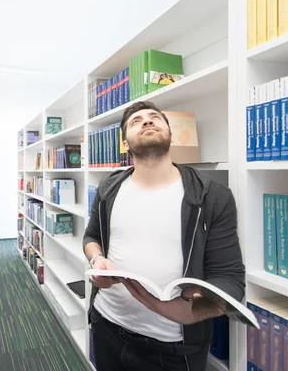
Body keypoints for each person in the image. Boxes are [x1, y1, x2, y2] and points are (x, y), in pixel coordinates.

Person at [83, 101, 245, 371]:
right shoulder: (108, 189)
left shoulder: (211, 196)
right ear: (126, 144)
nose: (147, 121)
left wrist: (194, 309)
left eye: (155, 118)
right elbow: (91, 237)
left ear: (169, 134)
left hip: (173, 347)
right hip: (106, 325)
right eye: (136, 121)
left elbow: (230, 280)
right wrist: (97, 259)